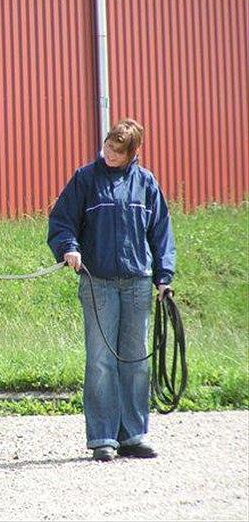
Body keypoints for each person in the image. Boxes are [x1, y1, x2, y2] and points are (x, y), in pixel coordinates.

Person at [47, 118, 176, 462]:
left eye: (118, 151)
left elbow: (161, 232)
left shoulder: (146, 184)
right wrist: (68, 247)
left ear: (133, 153)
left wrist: (164, 276)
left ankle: (133, 434)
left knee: (136, 359)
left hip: (137, 281)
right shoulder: (85, 179)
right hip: (98, 281)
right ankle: (103, 437)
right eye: (108, 146)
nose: (110, 154)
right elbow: (61, 221)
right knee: (102, 360)